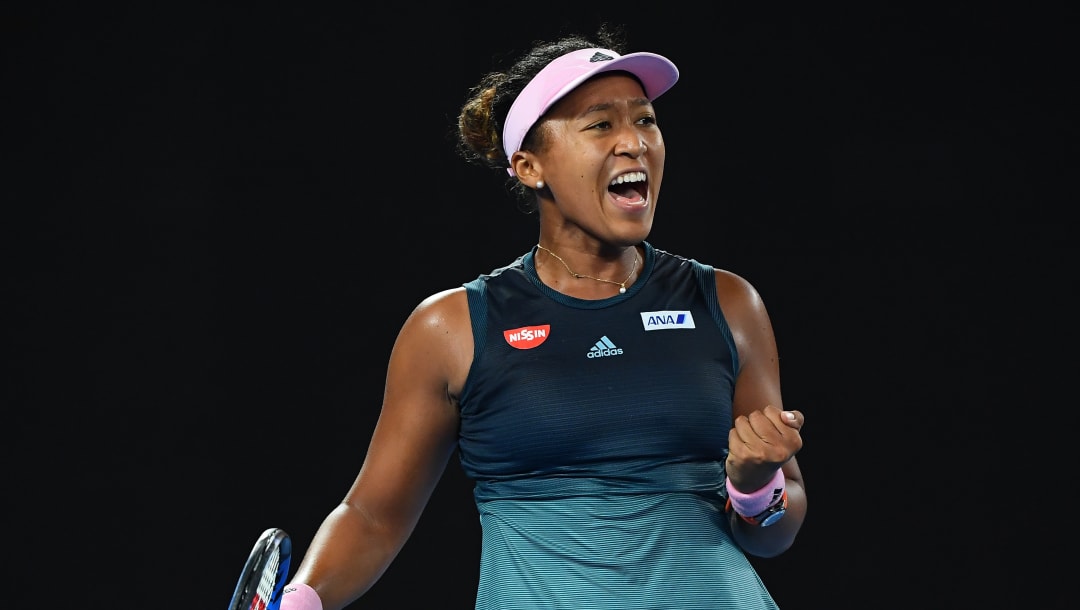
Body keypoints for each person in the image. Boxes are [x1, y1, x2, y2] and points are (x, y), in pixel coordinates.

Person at [276, 23, 807, 610]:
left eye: (646, 120)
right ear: (530, 167)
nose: (634, 142)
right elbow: (372, 517)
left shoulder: (728, 303)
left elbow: (775, 534)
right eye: (601, 124)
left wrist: (755, 487)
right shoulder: (450, 329)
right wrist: (304, 600)